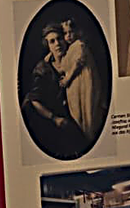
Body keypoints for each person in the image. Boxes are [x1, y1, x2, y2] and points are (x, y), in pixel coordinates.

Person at [20, 25, 90, 159]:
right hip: (49, 117)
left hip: (72, 111)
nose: (57, 44)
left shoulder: (72, 60)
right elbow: (34, 100)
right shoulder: (42, 69)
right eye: (52, 41)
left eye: (59, 39)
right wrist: (54, 118)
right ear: (48, 46)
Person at [56, 18, 106, 139]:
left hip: (83, 84)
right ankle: (84, 135)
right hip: (75, 86)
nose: (68, 36)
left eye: (71, 32)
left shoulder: (79, 45)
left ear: (77, 31)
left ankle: (89, 135)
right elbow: (63, 67)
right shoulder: (70, 49)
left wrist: (67, 79)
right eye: (65, 33)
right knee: (77, 113)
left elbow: (77, 64)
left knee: (87, 110)